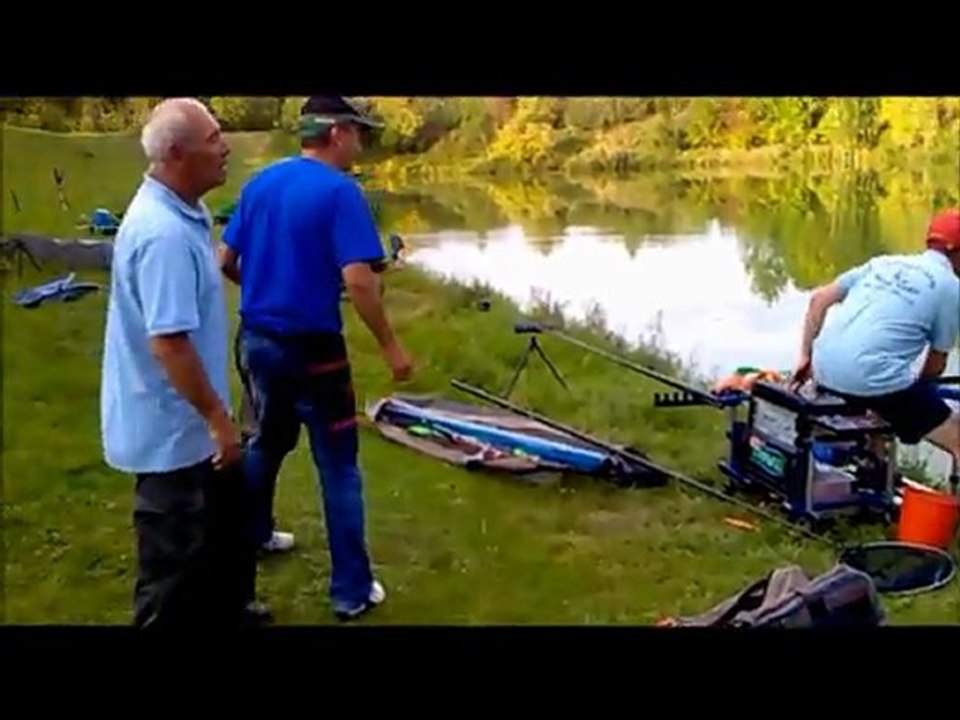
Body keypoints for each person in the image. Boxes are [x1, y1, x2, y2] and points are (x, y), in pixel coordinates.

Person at [219, 95, 413, 621]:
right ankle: (351, 590)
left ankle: (252, 536)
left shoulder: (260, 183)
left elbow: (226, 259)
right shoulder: (341, 191)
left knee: (266, 443)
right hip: (314, 351)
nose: (360, 144)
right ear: (336, 133)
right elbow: (360, 281)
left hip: (257, 340)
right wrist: (391, 347)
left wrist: (262, 289)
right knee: (338, 466)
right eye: (358, 133)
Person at [100, 98, 259, 628]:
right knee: (173, 566)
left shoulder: (184, 211)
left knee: (221, 536)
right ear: (176, 154)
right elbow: (169, 343)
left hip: (194, 427)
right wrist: (217, 418)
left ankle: (229, 611)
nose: (225, 147)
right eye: (213, 139)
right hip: (172, 431)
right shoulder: (162, 234)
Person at [791, 208, 960, 463]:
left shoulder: (882, 263)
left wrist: (805, 356)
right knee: (954, 432)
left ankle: (873, 470)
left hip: (822, 370)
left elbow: (819, 299)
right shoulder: (951, 287)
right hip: (872, 380)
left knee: (887, 398)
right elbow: (935, 365)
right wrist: (921, 397)